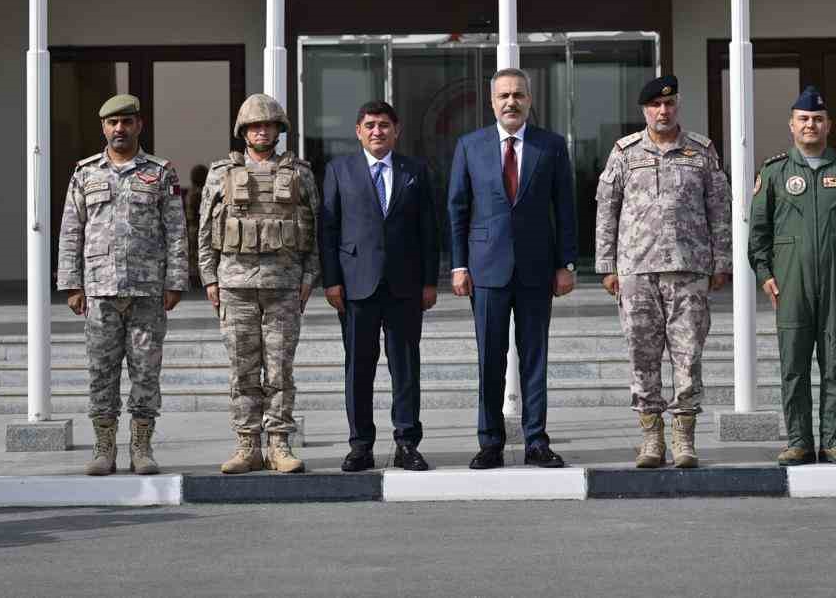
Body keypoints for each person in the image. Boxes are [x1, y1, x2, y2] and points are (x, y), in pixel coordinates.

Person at [595, 76, 731, 469]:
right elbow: (607, 210)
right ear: (645, 110)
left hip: (688, 269)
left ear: (677, 106)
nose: (663, 111)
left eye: (669, 104)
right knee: (642, 355)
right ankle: (651, 439)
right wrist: (606, 265)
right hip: (636, 271)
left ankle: (684, 439)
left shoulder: (700, 151)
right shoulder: (624, 152)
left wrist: (721, 261)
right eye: (655, 105)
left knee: (688, 357)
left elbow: (720, 208)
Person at [448, 67, 578, 469]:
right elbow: (457, 208)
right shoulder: (470, 146)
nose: (511, 102)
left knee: (534, 357)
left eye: (518, 95)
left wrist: (566, 263)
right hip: (486, 269)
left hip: (537, 268)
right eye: (503, 95)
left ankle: (536, 441)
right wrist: (458, 265)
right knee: (490, 358)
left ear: (529, 100)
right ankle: (490, 442)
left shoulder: (550, 146)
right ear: (491, 102)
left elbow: (565, 208)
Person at [57, 94, 187, 477]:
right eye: (113, 123)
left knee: (146, 372)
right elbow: (71, 231)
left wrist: (176, 281)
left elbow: (176, 230)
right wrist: (71, 284)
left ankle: (142, 448)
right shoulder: (85, 173)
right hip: (100, 292)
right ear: (103, 127)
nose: (120, 129)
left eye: (127, 122)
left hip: (147, 291)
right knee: (101, 372)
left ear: (138, 125)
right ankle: (104, 448)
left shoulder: (161, 173)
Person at [748, 86, 836, 467]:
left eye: (818, 119)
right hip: (791, 284)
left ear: (828, 125)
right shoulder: (774, 172)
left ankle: (835, 440)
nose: (810, 125)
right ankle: (799, 441)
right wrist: (764, 273)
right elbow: (758, 230)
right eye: (803, 119)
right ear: (791, 125)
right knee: (793, 365)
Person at [199, 94, 320, 475]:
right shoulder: (221, 173)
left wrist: (309, 277)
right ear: (243, 131)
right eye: (255, 126)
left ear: (279, 130)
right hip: (235, 285)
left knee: (280, 370)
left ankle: (279, 443)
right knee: (242, 370)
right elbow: (205, 229)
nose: (262, 131)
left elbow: (316, 229)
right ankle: (247, 444)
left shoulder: (300, 173)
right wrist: (209, 278)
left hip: (284, 286)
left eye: (268, 125)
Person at [319, 100, 439, 472]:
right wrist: (331, 281)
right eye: (369, 125)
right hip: (356, 285)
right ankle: (360, 445)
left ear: (396, 130)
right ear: (358, 131)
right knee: (359, 368)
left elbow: (429, 230)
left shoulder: (415, 170)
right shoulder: (339, 170)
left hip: (405, 285)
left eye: (384, 125)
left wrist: (429, 281)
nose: (377, 131)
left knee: (405, 368)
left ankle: (407, 443)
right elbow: (328, 229)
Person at [185, 163, 209, 289]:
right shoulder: (199, 193)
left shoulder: (191, 191)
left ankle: (194, 277)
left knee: (193, 254)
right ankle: (198, 278)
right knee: (200, 253)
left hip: (192, 227)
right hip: (198, 226)